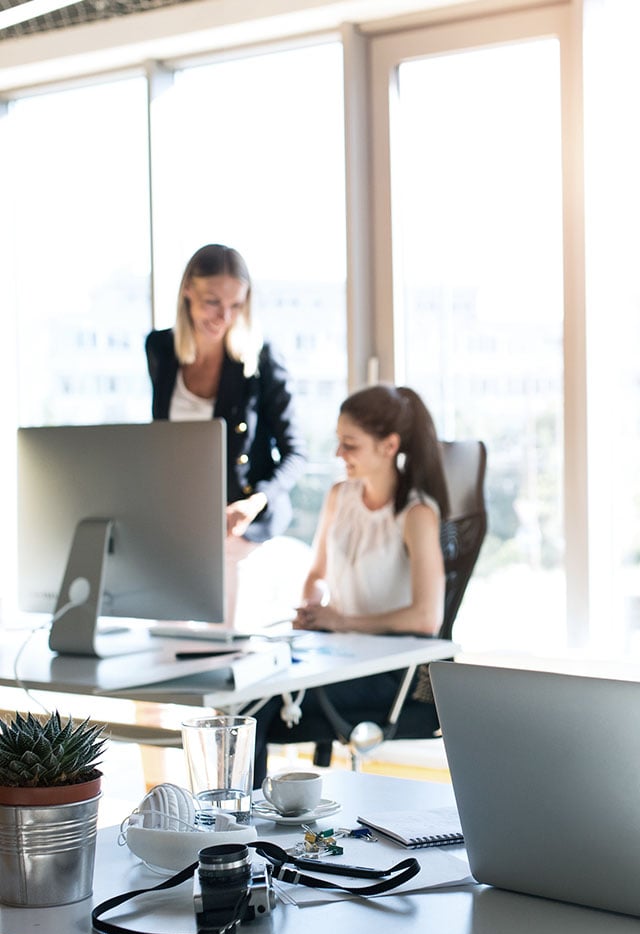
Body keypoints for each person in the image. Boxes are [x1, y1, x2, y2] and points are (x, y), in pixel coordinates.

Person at [251, 384, 450, 785]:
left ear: (388, 445)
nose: (338, 454)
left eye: (350, 445)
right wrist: (311, 609)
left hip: (391, 671)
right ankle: (236, 825)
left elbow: (427, 617)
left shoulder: (416, 514)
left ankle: (236, 829)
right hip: (337, 655)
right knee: (247, 690)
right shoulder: (339, 496)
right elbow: (316, 575)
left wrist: (341, 621)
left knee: (256, 710)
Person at [146, 243, 307, 623]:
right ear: (187, 290)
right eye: (212, 302)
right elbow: (160, 442)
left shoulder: (259, 359)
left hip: (242, 516)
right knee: (162, 619)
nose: (224, 316)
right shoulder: (161, 349)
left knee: (219, 617)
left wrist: (255, 502)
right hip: (181, 514)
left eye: (236, 305)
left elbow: (295, 453)